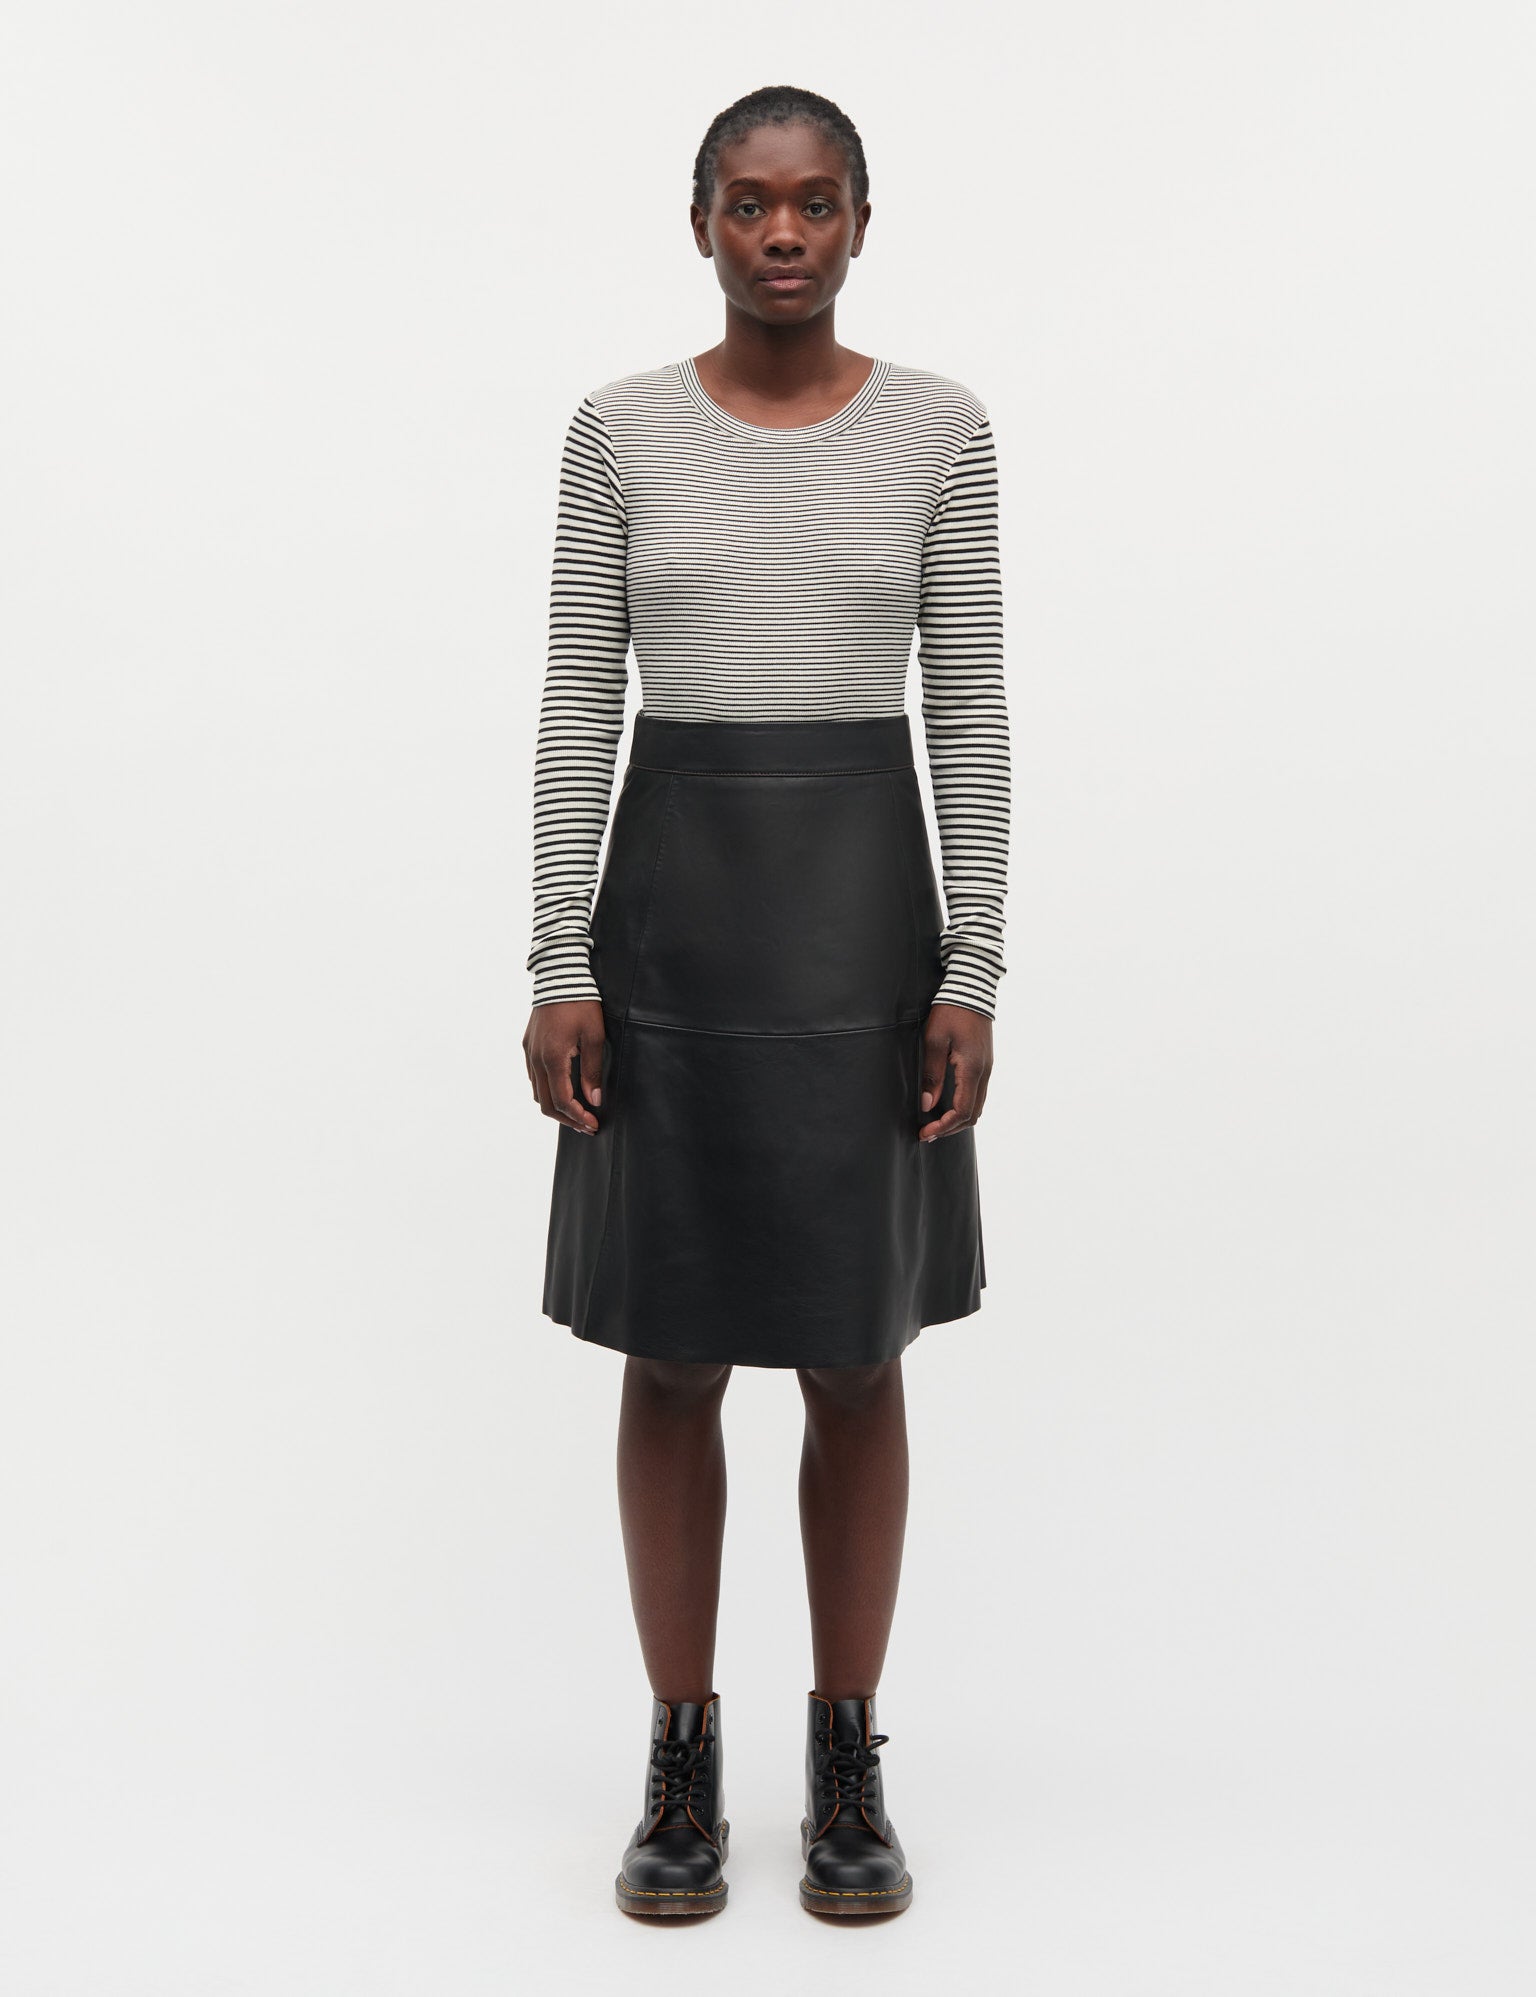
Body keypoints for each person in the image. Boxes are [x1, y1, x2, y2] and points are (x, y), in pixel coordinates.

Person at [522, 84, 1010, 1921]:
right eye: (749, 202)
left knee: (857, 1350)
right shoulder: (619, 431)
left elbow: (969, 703)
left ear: (862, 220)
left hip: (863, 932)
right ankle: (679, 1754)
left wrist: (973, 967)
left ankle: (847, 1752)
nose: (782, 233)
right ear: (703, 223)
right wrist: (558, 956)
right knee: (669, 1348)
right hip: (671, 934)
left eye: (814, 202)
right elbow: (581, 697)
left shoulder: (942, 430)